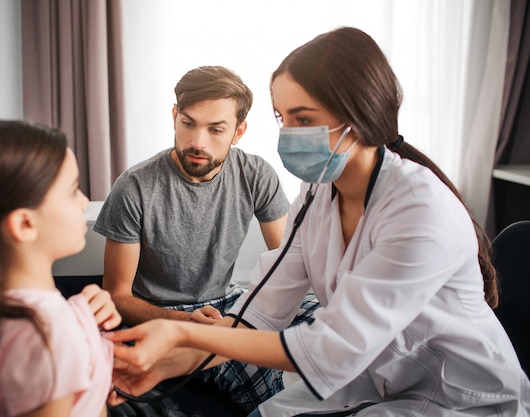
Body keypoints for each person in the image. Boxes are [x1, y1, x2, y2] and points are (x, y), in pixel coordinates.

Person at [106, 27, 530, 417]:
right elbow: (260, 313)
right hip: (380, 379)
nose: (289, 135)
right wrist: (160, 368)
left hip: (462, 399)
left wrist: (184, 337)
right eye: (283, 118)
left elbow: (331, 349)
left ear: (358, 116)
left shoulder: (420, 210)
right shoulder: (316, 195)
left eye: (304, 120)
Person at [95, 65, 320, 412]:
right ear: (174, 116)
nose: (198, 142)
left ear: (238, 131)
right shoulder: (135, 186)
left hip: (226, 301)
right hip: (162, 313)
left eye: (216, 129)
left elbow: (289, 264)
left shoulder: (256, 173)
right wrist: (186, 323)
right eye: (188, 124)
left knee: (326, 315)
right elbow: (117, 295)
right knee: (252, 366)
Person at [0, 120, 122, 417]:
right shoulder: (50, 336)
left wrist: (84, 322)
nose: (84, 201)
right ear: (25, 224)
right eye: (73, 191)